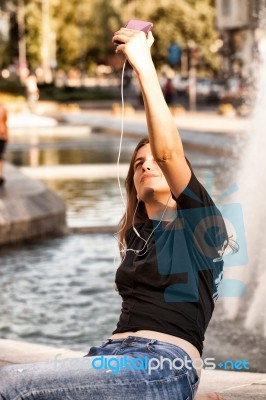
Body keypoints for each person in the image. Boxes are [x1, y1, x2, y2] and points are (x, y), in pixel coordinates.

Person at [0, 28, 229, 400]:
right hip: (111, 357)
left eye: (155, 160)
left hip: (161, 362)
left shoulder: (201, 222)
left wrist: (143, 65)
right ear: (133, 187)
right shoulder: (139, 239)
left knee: (9, 386)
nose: (146, 166)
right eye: (138, 164)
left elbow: (170, 151)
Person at [0, 103, 8, 186]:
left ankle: (1, 175)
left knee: (1, 156)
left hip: (2, 136)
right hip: (2, 135)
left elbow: (5, 122)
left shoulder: (3, 108)